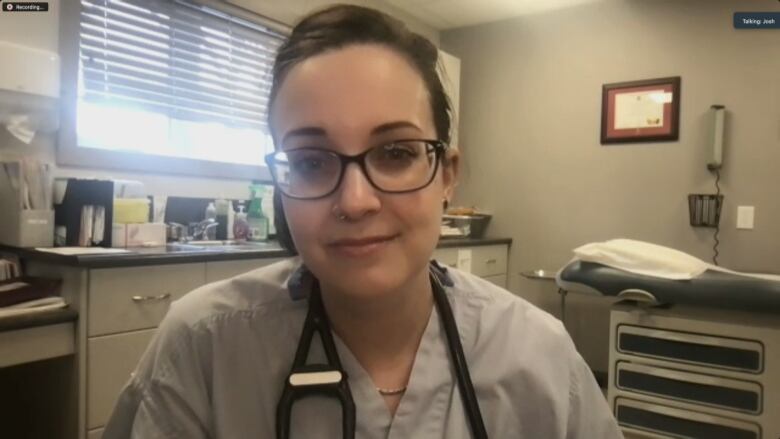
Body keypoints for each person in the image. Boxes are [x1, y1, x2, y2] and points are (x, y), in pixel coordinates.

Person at [104, 4, 624, 438]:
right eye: (311, 161)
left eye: (395, 153)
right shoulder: (204, 347)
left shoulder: (540, 358)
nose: (355, 201)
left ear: (446, 175)